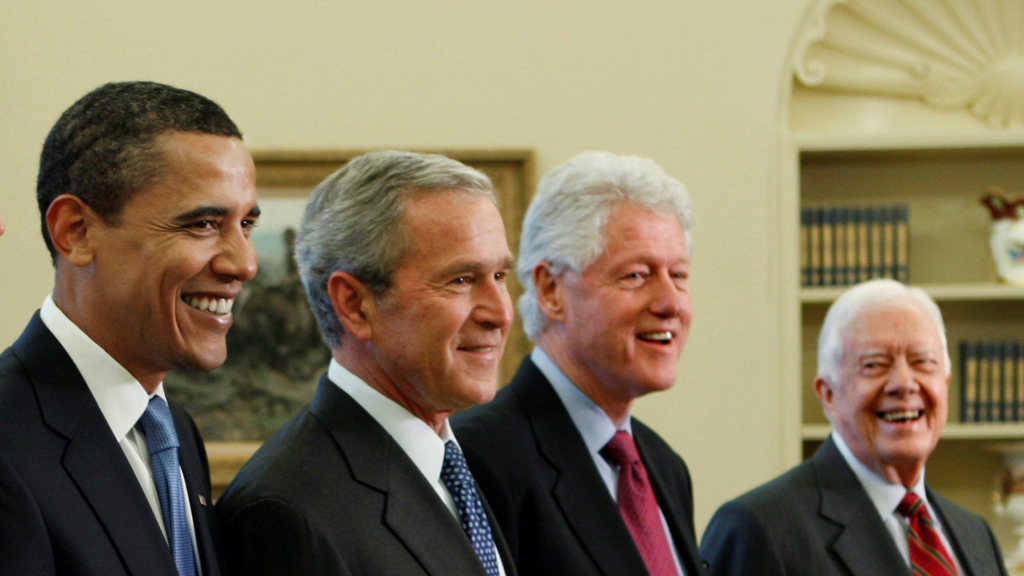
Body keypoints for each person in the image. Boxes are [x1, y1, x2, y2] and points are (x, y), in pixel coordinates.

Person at [216, 150, 518, 576]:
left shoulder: (455, 466)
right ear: (355, 305)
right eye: (461, 280)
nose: (500, 313)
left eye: (500, 277)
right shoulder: (288, 512)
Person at [0, 81, 259, 575]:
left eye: (246, 225)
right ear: (76, 232)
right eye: (204, 224)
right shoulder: (10, 441)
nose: (244, 264)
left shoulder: (173, 428)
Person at [453, 151, 707, 576]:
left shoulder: (664, 466)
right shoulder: (480, 459)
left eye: (678, 276)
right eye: (636, 275)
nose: (670, 304)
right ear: (551, 290)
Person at [700, 279, 1007, 576]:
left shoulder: (975, 535)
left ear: (946, 383)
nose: (904, 384)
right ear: (828, 394)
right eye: (874, 365)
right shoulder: (758, 529)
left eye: (922, 362)